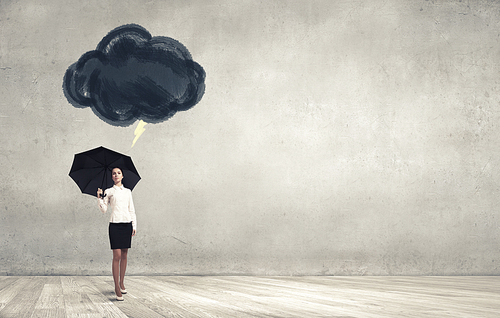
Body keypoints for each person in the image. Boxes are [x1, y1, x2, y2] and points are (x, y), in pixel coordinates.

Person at [97, 167, 137, 301]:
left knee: (125, 254)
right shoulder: (108, 191)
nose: (116, 175)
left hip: (127, 225)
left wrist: (134, 225)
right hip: (114, 225)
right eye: (114, 173)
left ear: (122, 176)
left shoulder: (127, 192)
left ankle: (122, 282)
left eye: (118, 173)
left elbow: (131, 209)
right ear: (112, 177)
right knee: (117, 255)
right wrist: (99, 198)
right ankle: (116, 286)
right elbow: (103, 210)